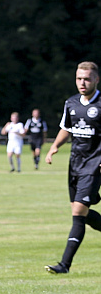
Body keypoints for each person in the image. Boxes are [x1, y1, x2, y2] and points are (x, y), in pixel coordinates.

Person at [44, 61, 101, 274]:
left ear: (96, 79)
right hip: (75, 164)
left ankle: (64, 265)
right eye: (79, 78)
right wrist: (54, 147)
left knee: (78, 212)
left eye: (87, 78)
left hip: (95, 164)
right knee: (80, 213)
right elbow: (66, 129)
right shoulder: (72, 103)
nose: (82, 83)